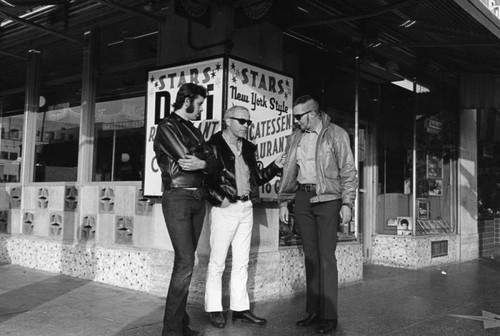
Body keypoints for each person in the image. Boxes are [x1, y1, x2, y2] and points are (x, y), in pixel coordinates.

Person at [278, 95, 357, 334]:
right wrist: (284, 202)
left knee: (326, 257)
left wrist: (347, 203)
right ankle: (313, 311)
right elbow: (290, 172)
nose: (296, 121)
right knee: (311, 257)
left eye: (299, 116)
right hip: (302, 198)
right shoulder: (295, 138)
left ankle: (329, 316)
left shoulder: (336, 134)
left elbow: (348, 170)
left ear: (312, 114)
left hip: (327, 200)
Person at [204, 105, 285, 329]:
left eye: (248, 122)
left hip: (246, 207)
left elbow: (256, 179)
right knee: (217, 262)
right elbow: (204, 180)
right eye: (242, 121)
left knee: (242, 261)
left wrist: (275, 166)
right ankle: (214, 308)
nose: (246, 126)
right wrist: (220, 199)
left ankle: (240, 309)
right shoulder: (212, 146)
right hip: (225, 208)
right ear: (227, 120)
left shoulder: (249, 147)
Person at [153, 83, 216, 336]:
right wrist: (206, 160)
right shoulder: (167, 126)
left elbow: (213, 161)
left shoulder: (194, 129)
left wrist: (206, 161)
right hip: (178, 197)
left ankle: (180, 325)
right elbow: (186, 158)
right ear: (187, 100)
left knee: (187, 263)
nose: (201, 108)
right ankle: (171, 331)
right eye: (199, 103)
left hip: (198, 199)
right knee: (185, 262)